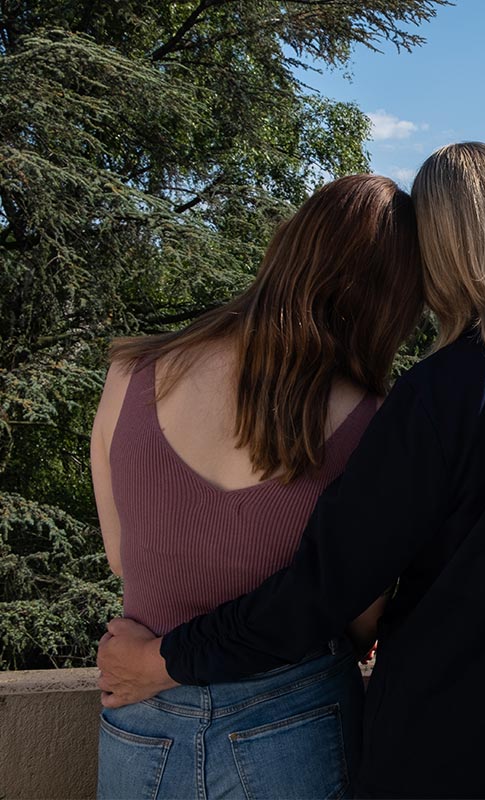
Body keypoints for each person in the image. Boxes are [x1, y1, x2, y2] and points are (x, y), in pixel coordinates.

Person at [98, 143, 485, 799]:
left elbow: (324, 589)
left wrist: (169, 658)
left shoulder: (440, 393)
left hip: (458, 758)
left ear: (442, 258)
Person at [90, 174, 424, 799]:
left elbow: (120, 556)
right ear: (391, 298)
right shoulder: (371, 420)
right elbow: (359, 613)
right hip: (295, 712)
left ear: (289, 247)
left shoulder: (129, 372)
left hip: (137, 710)